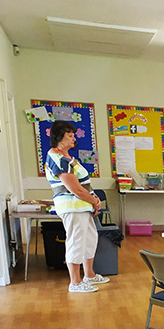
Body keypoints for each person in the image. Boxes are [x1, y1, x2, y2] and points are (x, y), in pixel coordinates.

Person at [45, 120, 109, 293]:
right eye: (70, 136)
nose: (74, 139)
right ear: (59, 137)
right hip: (72, 206)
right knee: (76, 241)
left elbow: (84, 185)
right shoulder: (57, 157)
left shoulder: (68, 157)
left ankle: (89, 275)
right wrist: (94, 201)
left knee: (90, 239)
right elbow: (75, 189)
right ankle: (75, 282)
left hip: (82, 206)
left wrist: (94, 199)